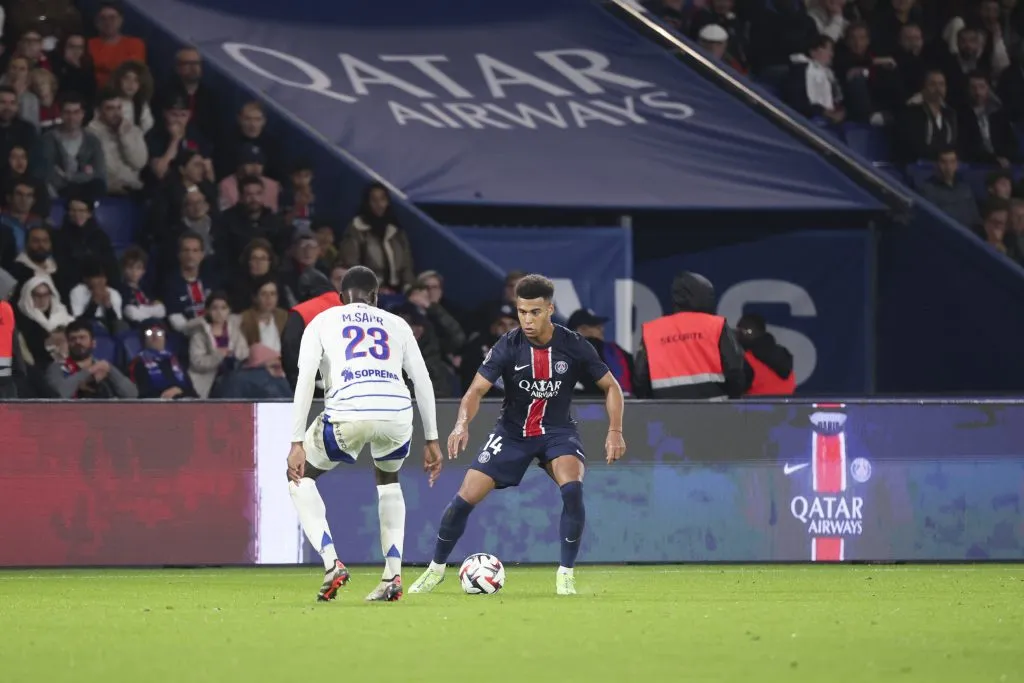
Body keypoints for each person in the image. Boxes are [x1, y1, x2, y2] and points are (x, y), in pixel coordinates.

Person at [408, 274, 626, 597]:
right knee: (463, 499)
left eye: (534, 312)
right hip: (512, 433)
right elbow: (475, 392)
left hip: (557, 431)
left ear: (550, 309)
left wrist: (615, 430)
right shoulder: (508, 345)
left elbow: (612, 387)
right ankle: (436, 569)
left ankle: (565, 575)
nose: (526, 319)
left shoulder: (574, 345)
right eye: (522, 311)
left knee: (573, 489)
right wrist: (461, 423)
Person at [286, 265, 442, 603]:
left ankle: (331, 563)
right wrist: (432, 438)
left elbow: (303, 381)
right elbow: (423, 381)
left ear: (342, 299)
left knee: (300, 479)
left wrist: (297, 441)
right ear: (376, 298)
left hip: (348, 412)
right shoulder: (397, 324)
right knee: (389, 480)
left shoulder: (323, 322)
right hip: (398, 414)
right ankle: (393, 574)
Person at [633, 271, 746, 400]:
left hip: (666, 413)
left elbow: (639, 378)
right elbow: (735, 370)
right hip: (714, 411)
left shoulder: (652, 330)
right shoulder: (716, 325)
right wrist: (733, 398)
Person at [46, 318, 138, 399]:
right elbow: (59, 394)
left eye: (82, 338)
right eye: (73, 339)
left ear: (93, 343)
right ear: (68, 343)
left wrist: (111, 371)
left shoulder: (104, 368)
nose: (78, 342)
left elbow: (132, 394)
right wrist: (89, 371)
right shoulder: (57, 367)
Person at [281, 268, 342, 391]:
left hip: (316, 383)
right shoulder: (353, 308)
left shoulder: (302, 311)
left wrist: (296, 383)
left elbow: (290, 347)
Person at [566, 308, 634, 396]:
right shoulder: (611, 350)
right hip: (624, 403)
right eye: (596, 326)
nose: (602, 329)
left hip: (586, 405)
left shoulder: (612, 351)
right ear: (582, 329)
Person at [129, 319, 197, 399]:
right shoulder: (138, 363)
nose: (155, 336)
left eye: (159, 332)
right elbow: (144, 394)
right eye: (149, 333)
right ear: (143, 338)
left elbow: (192, 392)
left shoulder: (175, 362)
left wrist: (178, 390)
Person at [736, 313, 796, 396]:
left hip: (753, 407)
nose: (737, 335)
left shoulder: (746, 360)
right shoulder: (784, 355)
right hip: (787, 407)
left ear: (751, 332)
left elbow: (731, 390)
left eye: (741, 331)